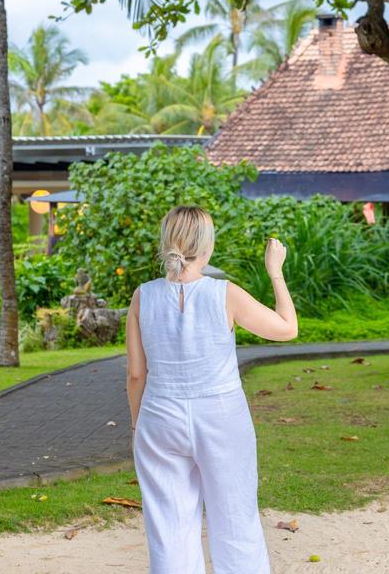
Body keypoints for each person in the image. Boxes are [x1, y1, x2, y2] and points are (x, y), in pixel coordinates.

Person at [126, 205, 298, 574]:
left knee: (169, 529)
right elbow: (287, 329)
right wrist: (275, 272)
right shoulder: (225, 294)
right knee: (235, 521)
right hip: (222, 417)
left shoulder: (143, 296)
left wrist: (139, 425)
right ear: (206, 248)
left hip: (159, 415)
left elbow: (136, 374)